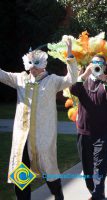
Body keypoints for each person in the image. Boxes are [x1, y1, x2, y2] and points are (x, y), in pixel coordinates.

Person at [1, 38, 77, 200]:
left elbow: (71, 79)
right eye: (30, 63)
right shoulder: (20, 79)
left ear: (43, 65)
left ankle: (58, 196)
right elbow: (3, 75)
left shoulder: (52, 81)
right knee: (21, 174)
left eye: (36, 63)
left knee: (49, 172)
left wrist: (70, 54)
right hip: (22, 139)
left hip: (43, 138)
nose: (33, 68)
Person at [70, 54, 107, 200]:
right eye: (94, 63)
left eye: (101, 63)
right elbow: (74, 90)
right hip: (84, 131)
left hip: (103, 132)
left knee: (100, 165)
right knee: (87, 166)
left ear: (105, 67)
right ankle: (94, 190)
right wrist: (84, 74)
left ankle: (98, 194)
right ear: (89, 65)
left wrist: (105, 81)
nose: (97, 65)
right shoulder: (83, 80)